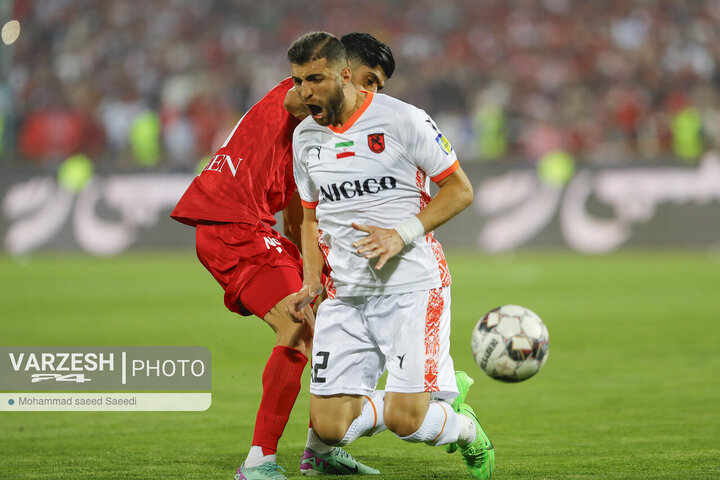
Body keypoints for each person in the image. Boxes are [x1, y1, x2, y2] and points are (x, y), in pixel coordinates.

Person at [170, 33, 395, 480]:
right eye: (367, 81)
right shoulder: (300, 99)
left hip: (255, 229)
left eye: (378, 88)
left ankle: (320, 449)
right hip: (231, 226)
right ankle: (258, 461)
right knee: (296, 325)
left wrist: (322, 268)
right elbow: (295, 98)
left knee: (336, 325)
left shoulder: (310, 141)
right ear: (342, 73)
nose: (372, 94)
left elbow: (296, 222)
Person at [287, 32, 495, 479]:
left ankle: (464, 429)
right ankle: (434, 391)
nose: (304, 92)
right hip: (345, 293)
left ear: (345, 76)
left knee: (406, 421)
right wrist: (309, 279)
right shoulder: (305, 138)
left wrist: (400, 235)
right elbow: (308, 218)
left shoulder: (403, 121)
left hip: (412, 287)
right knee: (328, 428)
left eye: (314, 80)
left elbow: (460, 190)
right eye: (299, 81)